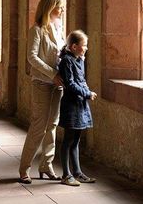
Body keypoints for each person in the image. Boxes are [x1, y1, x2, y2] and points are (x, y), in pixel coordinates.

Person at [18, 0, 65, 184]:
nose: (62, 10)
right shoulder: (36, 30)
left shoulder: (58, 27)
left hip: (58, 84)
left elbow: (60, 52)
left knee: (52, 125)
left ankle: (46, 165)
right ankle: (24, 168)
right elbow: (32, 57)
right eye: (59, 6)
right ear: (50, 7)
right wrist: (52, 74)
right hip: (42, 83)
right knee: (39, 125)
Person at [58, 29, 97, 186]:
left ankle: (78, 172)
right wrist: (86, 93)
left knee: (76, 140)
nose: (86, 48)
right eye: (84, 45)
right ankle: (66, 175)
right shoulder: (66, 61)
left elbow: (81, 79)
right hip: (71, 104)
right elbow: (70, 83)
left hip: (81, 103)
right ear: (74, 46)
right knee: (68, 140)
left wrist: (86, 92)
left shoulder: (79, 59)